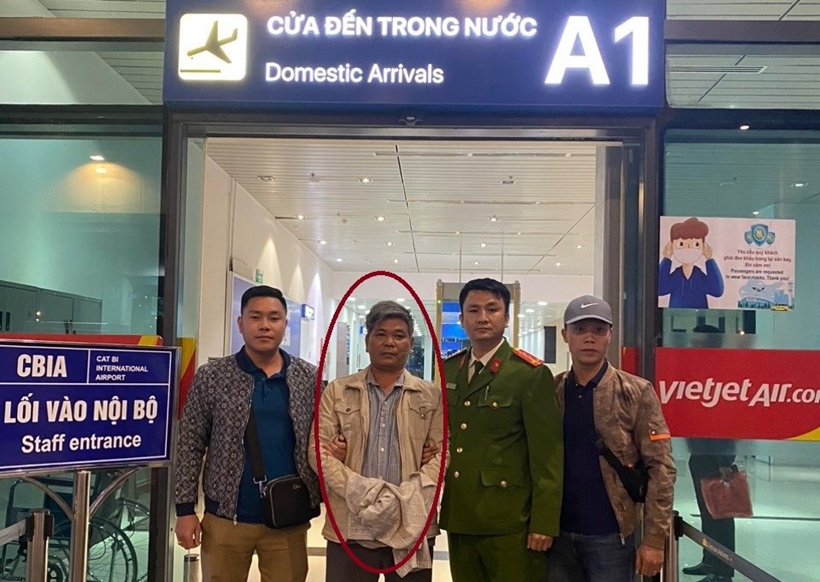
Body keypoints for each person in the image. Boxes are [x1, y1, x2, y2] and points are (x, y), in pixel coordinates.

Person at [174, 285, 320, 582]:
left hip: (288, 518)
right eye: (255, 317)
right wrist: (185, 510)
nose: (265, 325)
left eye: (274, 318)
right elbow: (189, 443)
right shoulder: (213, 376)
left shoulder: (307, 377)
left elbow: (322, 438)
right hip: (226, 517)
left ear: (285, 324)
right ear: (241, 323)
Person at [310, 300, 444, 582]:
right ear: (367, 341)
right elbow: (317, 452)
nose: (389, 342)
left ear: (411, 343)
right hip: (350, 525)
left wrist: (405, 497)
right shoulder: (338, 391)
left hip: (412, 524)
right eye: (380, 334)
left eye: (399, 335)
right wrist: (362, 492)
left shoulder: (431, 396)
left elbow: (442, 455)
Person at [546, 295, 677, 582]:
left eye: (598, 330)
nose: (589, 338)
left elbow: (662, 467)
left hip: (612, 538)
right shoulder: (551, 391)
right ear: (565, 335)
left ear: (610, 335)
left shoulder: (636, 392)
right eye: (580, 330)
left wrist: (654, 538)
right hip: (557, 537)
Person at [440, 277, 563, 582]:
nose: (482, 317)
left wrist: (544, 523)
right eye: (473, 310)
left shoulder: (528, 374)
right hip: (461, 515)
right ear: (462, 319)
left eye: (492, 309)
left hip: (511, 521)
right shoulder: (449, 370)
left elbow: (547, 456)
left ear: (506, 318)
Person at [659, 217, 724, 308]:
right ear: (671, 246)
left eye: (696, 244)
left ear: (703, 246)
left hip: (701, 314)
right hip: (675, 315)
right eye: (681, 244)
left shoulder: (699, 276)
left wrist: (709, 259)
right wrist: (666, 258)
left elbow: (717, 291)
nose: (688, 249)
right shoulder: (675, 276)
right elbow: (659, 289)